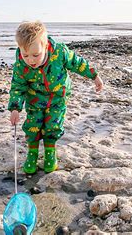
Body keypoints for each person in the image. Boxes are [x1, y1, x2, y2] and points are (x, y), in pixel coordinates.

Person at [8, 21, 103, 174]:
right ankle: (32, 153)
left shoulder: (60, 53)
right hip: (35, 99)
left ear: (45, 46)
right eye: (25, 55)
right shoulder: (21, 64)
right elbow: (17, 86)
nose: (30, 60)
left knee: (53, 125)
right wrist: (15, 108)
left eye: (35, 55)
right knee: (33, 125)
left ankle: (50, 152)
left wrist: (94, 76)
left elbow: (78, 63)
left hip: (57, 99)